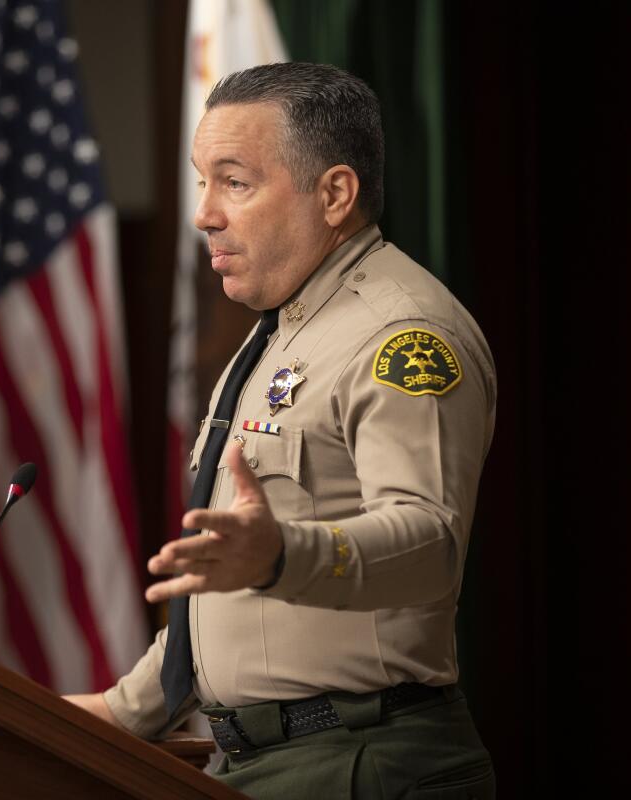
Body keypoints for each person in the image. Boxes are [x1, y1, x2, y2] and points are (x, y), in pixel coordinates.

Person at [66, 63, 497, 798]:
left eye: (234, 182)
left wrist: (282, 555)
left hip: (365, 764)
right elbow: (234, 590)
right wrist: (120, 710)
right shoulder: (285, 329)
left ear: (334, 194)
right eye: (202, 181)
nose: (203, 212)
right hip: (252, 763)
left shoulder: (402, 336)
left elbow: (430, 543)